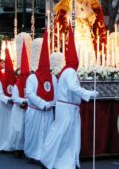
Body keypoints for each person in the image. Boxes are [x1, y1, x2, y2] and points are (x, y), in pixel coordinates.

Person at [41, 26, 99, 169]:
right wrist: (89, 93)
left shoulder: (65, 71)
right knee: (65, 135)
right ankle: (58, 161)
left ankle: (61, 160)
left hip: (66, 107)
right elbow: (73, 88)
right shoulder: (71, 71)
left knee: (63, 134)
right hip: (67, 109)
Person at [25, 32, 56, 162]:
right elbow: (30, 94)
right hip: (35, 111)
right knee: (34, 134)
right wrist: (43, 103)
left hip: (48, 112)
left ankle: (44, 156)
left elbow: (56, 92)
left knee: (47, 134)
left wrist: (52, 104)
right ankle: (32, 154)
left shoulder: (53, 77)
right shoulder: (32, 77)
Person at [0, 47, 15, 152]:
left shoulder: (16, 81)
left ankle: (11, 145)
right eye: (8, 71)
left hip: (13, 109)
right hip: (3, 107)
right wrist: (8, 99)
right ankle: (1, 144)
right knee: (3, 127)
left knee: (11, 127)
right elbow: (0, 95)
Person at [9, 41, 29, 156]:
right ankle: (17, 148)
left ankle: (24, 148)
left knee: (26, 130)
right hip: (18, 110)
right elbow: (15, 97)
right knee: (18, 130)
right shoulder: (17, 85)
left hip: (28, 110)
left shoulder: (31, 83)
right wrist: (23, 101)